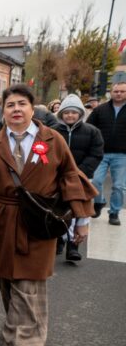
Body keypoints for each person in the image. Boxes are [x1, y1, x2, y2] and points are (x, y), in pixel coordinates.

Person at [0, 84, 96, 346]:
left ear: (32, 108)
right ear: (4, 110)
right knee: (7, 280)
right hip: (1, 219)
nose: (16, 110)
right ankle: (17, 326)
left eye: (22, 104)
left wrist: (82, 220)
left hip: (39, 221)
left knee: (28, 282)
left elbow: (71, 178)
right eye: (10, 105)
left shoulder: (53, 141)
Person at [51, 94, 104, 260]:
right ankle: (59, 239)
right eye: (66, 113)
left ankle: (73, 246)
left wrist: (79, 172)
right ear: (61, 114)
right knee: (58, 209)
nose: (70, 116)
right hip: (57, 177)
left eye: (74, 112)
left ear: (80, 113)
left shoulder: (92, 132)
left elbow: (96, 154)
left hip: (81, 178)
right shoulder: (52, 132)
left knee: (78, 210)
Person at [87, 81, 126, 226]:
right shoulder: (100, 110)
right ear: (111, 92)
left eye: (122, 91)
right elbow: (89, 128)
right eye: (116, 91)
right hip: (100, 153)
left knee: (119, 186)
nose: (119, 94)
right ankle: (99, 201)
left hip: (122, 155)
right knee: (96, 181)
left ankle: (114, 213)